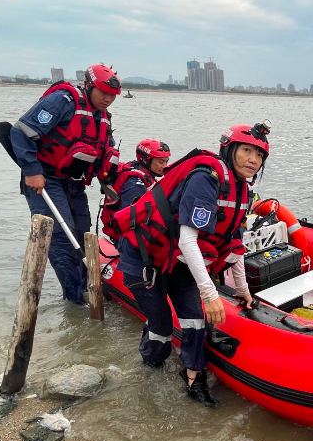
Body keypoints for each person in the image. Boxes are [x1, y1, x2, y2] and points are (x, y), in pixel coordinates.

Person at [109, 122, 268, 407]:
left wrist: (243, 289)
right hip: (144, 256)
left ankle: (193, 376)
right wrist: (211, 295)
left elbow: (234, 244)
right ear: (230, 149)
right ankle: (150, 369)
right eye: (246, 150)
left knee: (195, 321)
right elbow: (188, 239)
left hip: (177, 261)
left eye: (259, 155)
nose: (253, 160)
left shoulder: (242, 191)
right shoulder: (206, 178)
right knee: (161, 326)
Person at [10, 64, 122, 304]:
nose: (108, 99)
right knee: (61, 236)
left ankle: (86, 289)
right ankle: (74, 300)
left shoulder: (102, 116)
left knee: (83, 234)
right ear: (89, 86)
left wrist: (106, 184)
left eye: (112, 95)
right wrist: (31, 171)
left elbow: (103, 151)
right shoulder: (63, 101)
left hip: (73, 183)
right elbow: (20, 132)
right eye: (104, 92)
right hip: (45, 178)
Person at [99, 139, 171, 240]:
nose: (164, 166)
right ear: (145, 160)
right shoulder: (135, 184)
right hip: (125, 237)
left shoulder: (138, 170)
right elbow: (130, 218)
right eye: (161, 162)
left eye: (166, 162)